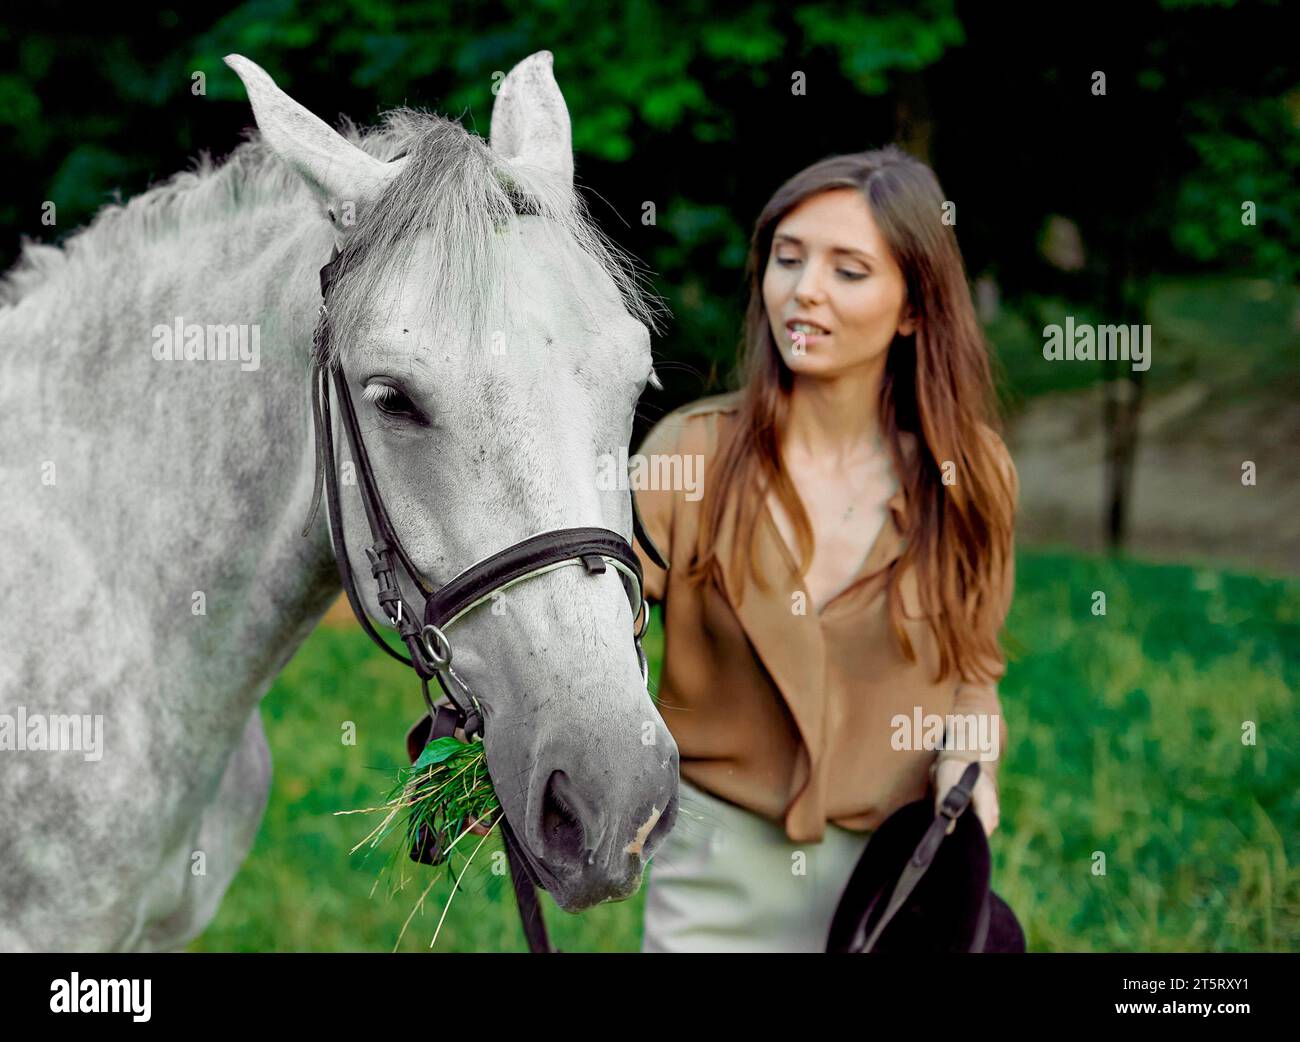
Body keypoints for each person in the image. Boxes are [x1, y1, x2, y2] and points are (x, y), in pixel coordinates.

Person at [632, 146, 1019, 953]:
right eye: (787, 259)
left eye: (848, 270)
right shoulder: (687, 455)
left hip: (894, 888)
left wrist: (967, 775)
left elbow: (974, 683)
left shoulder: (970, 476)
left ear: (914, 307)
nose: (804, 289)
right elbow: (592, 633)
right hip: (711, 879)